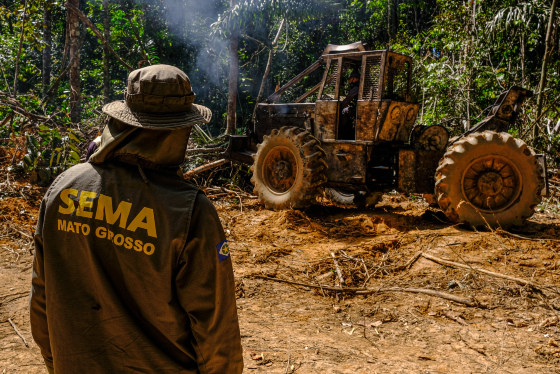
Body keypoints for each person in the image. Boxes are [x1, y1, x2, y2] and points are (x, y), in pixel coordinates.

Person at [30, 64, 243, 373]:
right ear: (178, 131)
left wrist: (58, 364)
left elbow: (41, 302)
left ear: (121, 122)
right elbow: (216, 333)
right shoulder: (190, 212)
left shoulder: (63, 189)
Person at [339, 70, 360, 140]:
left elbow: (348, 99)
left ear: (354, 78)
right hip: (358, 106)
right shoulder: (359, 85)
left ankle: (343, 134)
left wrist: (340, 106)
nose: (349, 80)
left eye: (350, 79)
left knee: (344, 111)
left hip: (359, 108)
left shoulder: (356, 87)